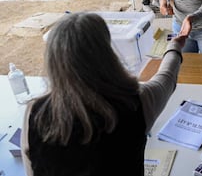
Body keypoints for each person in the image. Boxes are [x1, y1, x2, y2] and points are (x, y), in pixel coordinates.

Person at [21, 12, 186, 176]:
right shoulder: (136, 102)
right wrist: (175, 46)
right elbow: (166, 78)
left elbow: (31, 170)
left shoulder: (34, 111)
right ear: (107, 51)